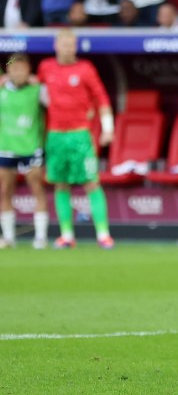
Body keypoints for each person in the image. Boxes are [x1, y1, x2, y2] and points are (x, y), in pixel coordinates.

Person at [37, 29, 114, 249]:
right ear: (56, 45)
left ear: (76, 46)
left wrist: (108, 128)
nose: (68, 48)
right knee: (61, 185)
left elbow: (102, 98)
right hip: (55, 136)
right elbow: (30, 80)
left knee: (91, 182)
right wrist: (8, 71)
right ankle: (67, 235)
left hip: (80, 135)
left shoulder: (85, 69)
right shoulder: (45, 67)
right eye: (64, 44)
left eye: (72, 44)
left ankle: (103, 234)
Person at [0, 53, 48, 249]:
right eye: (14, 68)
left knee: (37, 189)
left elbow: (57, 105)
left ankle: (41, 237)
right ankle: (9, 237)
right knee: (5, 192)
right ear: (8, 71)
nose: (18, 72)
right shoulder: (2, 90)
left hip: (31, 147)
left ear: (29, 70)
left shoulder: (38, 89)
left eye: (22, 68)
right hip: (7, 148)